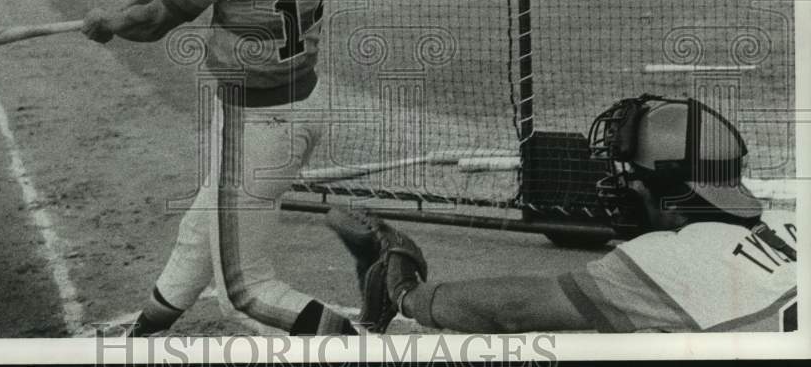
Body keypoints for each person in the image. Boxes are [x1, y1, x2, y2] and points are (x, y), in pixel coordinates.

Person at [82, 0, 358, 336]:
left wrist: (109, 25)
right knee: (199, 231)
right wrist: (125, 11)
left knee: (246, 295)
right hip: (304, 104)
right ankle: (143, 334)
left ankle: (357, 347)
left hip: (256, 122)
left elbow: (157, 20)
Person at [330, 94, 797, 333]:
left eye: (630, 175)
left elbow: (512, 312)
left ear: (667, 191)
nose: (620, 185)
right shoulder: (793, 225)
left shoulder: (668, 262)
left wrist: (408, 292)